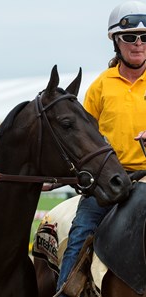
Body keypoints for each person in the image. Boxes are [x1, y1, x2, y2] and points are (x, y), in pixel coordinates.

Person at [56, 1, 146, 296]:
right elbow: (82, 137)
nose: (138, 44)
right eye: (130, 37)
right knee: (81, 231)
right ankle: (66, 289)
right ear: (116, 42)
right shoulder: (100, 86)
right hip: (110, 180)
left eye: (145, 38)